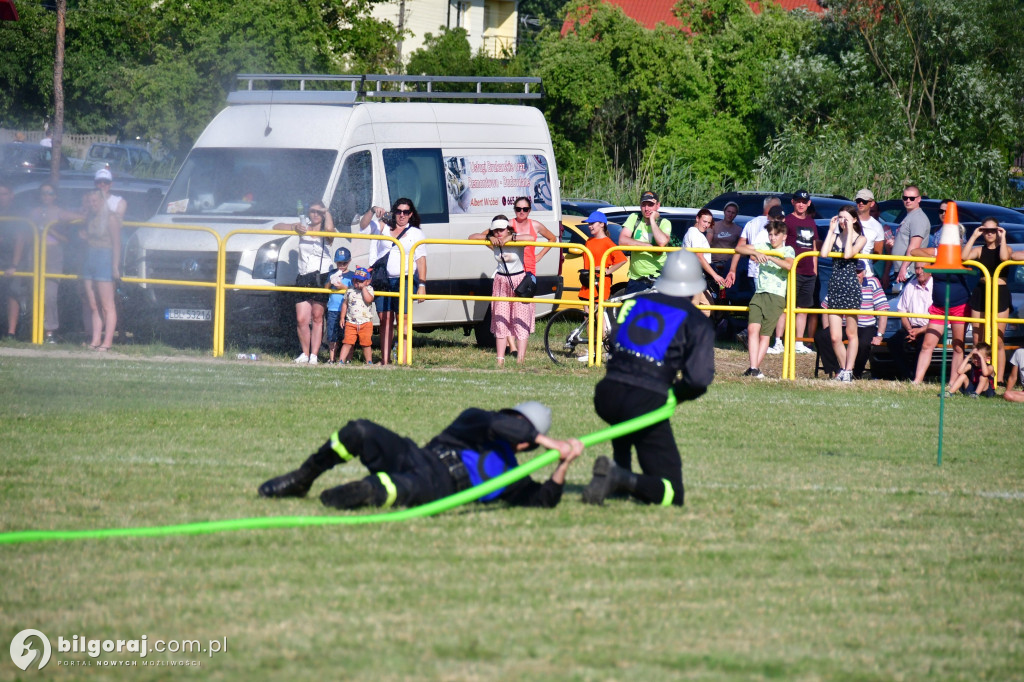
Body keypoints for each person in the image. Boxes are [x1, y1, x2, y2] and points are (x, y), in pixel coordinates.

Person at [258, 401, 584, 511]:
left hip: (441, 487)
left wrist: (564, 463)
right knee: (359, 430)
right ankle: (304, 478)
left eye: (522, 429)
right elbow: (499, 424)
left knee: (391, 489)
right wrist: (549, 441)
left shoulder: (513, 477)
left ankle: (361, 492)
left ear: (529, 447)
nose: (513, 428)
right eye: (512, 420)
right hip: (417, 454)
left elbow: (544, 499)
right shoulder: (478, 420)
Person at [582, 249, 715, 507]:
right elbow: (698, 379)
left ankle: (618, 473)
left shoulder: (634, 303)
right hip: (644, 400)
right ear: (695, 286)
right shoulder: (696, 321)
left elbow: (620, 349)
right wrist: (675, 394)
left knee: (626, 416)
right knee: (672, 492)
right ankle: (620, 478)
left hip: (607, 393)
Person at [359, 199, 427, 365]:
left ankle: (403, 360)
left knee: (403, 319)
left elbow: (421, 260)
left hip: (404, 279)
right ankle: (385, 360)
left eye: (405, 212)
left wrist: (423, 285)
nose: (402, 215)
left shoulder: (416, 233)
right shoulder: (383, 227)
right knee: (385, 319)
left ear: (411, 214)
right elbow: (363, 227)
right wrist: (373, 209)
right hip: (382, 279)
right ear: (394, 212)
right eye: (398, 211)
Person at [274, 200, 336, 364]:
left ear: (323, 215)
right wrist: (295, 228)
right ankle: (305, 353)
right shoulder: (303, 225)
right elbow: (277, 227)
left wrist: (327, 212)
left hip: (320, 276)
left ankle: (314, 355)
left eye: (319, 212)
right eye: (312, 211)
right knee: (302, 318)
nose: (315, 215)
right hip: (303, 276)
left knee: (317, 317)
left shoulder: (325, 230)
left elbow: (331, 235)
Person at [468, 216, 532, 367]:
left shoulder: (515, 239)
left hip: (518, 282)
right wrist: (489, 237)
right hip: (500, 282)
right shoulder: (494, 240)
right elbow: (471, 237)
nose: (498, 233)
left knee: (520, 321)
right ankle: (500, 360)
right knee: (501, 320)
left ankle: (520, 360)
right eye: (495, 230)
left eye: (501, 230)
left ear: (508, 229)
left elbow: (531, 237)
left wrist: (511, 237)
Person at [735, 217, 795, 378]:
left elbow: (789, 265)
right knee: (752, 329)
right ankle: (754, 368)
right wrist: (755, 252)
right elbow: (739, 249)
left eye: (776, 234)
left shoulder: (788, 250)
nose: (773, 238)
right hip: (759, 293)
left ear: (784, 236)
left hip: (776, 297)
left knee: (765, 334)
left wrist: (770, 257)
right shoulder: (764, 246)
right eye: (770, 234)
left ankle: (754, 368)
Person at [910, 238, 971, 385]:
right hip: (938, 307)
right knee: (927, 344)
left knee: (957, 346)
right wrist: (937, 256)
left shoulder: (963, 254)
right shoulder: (937, 252)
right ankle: (917, 381)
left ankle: (952, 383)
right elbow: (914, 252)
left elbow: (966, 256)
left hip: (959, 306)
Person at [814, 261, 889, 379]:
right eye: (853, 272)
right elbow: (825, 307)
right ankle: (838, 371)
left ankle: (855, 373)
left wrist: (880, 335)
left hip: (866, 326)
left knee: (864, 343)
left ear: (864, 272)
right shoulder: (841, 283)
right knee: (823, 336)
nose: (856, 275)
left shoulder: (872, 282)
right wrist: (828, 328)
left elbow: (883, 309)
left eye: (858, 272)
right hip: (843, 324)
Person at [818, 205, 868, 382]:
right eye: (840, 218)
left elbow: (848, 255)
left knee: (852, 333)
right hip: (835, 286)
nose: (842, 221)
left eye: (845, 218)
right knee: (834, 336)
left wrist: (848, 233)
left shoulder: (860, 238)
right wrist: (832, 231)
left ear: (854, 219)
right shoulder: (836, 235)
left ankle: (849, 370)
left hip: (851, 287)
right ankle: (844, 369)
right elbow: (824, 253)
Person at [963, 219, 1011, 383]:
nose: (989, 233)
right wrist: (974, 236)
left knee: (997, 339)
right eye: (986, 230)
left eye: (993, 230)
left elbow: (1004, 258)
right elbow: (963, 257)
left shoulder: (1005, 248)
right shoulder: (979, 250)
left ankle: (998, 379)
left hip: (1000, 293)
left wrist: (1002, 237)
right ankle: (977, 376)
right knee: (978, 338)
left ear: (998, 230)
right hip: (981, 292)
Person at [30, 183, 80, 342]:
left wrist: (50, 230)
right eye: (44, 193)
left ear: (55, 196)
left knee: (50, 295)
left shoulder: (60, 212)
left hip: (53, 254)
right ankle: (33, 329)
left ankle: (50, 331)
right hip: (35, 253)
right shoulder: (34, 212)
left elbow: (82, 219)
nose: (47, 196)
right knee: (35, 293)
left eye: (50, 193)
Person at [79, 190, 121, 351]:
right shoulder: (89, 217)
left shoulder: (111, 218)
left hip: (105, 259)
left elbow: (117, 244)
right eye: (90, 201)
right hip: (90, 260)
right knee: (93, 304)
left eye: (95, 201)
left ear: (102, 201)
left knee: (107, 305)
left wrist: (115, 266)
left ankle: (107, 342)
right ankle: (95, 340)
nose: (92, 204)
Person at [782, 189, 818, 355]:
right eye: (798, 201)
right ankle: (780, 341)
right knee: (787, 306)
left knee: (803, 308)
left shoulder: (811, 222)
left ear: (808, 203)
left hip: (808, 271)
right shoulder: (787, 220)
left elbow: (815, 246)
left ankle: (798, 341)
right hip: (792, 270)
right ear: (793, 202)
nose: (801, 204)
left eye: (804, 201)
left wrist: (815, 269)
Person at [619, 190, 673, 295]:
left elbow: (662, 242)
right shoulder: (634, 218)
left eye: (650, 205)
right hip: (636, 280)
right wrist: (648, 246)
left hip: (658, 279)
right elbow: (622, 241)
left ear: (658, 206)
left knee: (657, 311)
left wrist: (652, 220)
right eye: (644, 205)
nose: (647, 208)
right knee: (633, 311)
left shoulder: (664, 222)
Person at [888, 263, 933, 380]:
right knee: (894, 342)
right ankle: (907, 375)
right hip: (910, 327)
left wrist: (920, 331)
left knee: (923, 343)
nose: (919, 271)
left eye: (922, 268)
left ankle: (917, 377)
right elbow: (902, 311)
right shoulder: (910, 286)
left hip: (930, 328)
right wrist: (910, 330)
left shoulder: (937, 287)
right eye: (917, 268)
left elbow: (939, 318)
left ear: (931, 270)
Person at [578, 210, 627, 303]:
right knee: (587, 313)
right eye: (589, 224)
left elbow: (622, 260)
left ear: (602, 224)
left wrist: (607, 271)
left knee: (598, 312)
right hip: (587, 280)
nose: (589, 226)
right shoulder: (589, 241)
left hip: (600, 281)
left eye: (592, 223)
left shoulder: (608, 242)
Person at [682, 208, 721, 316]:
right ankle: (688, 331)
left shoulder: (697, 233)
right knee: (696, 307)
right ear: (697, 218)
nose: (706, 225)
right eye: (704, 221)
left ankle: (694, 330)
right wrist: (715, 275)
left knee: (707, 306)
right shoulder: (694, 233)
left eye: (709, 222)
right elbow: (699, 257)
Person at [890, 185, 929, 289]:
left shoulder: (918, 218)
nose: (908, 201)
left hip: (910, 271)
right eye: (905, 198)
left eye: (912, 198)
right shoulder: (910, 216)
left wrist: (904, 267)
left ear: (919, 199)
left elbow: (914, 247)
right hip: (902, 269)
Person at [509, 196, 556, 278]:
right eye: (518, 209)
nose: (522, 212)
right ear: (515, 210)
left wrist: (540, 255)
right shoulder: (508, 224)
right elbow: (488, 235)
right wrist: (498, 252)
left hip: (529, 268)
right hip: (512, 268)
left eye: (525, 209)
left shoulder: (535, 225)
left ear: (529, 210)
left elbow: (553, 238)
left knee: (528, 290)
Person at [339, 267, 375, 365]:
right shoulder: (350, 290)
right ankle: (341, 360)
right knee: (347, 342)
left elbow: (369, 300)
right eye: (355, 280)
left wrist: (363, 288)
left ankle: (369, 361)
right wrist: (342, 317)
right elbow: (345, 304)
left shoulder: (369, 289)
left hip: (365, 322)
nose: (357, 283)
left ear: (367, 281)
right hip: (351, 322)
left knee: (366, 343)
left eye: (360, 281)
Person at [324, 247, 353, 364]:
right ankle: (332, 358)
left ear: (349, 261)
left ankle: (348, 359)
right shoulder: (332, 273)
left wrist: (343, 288)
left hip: (348, 310)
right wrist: (331, 281)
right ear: (335, 262)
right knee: (332, 335)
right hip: (333, 309)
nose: (341, 265)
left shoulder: (351, 275)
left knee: (349, 335)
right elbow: (325, 289)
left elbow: (354, 291)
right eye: (339, 262)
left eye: (344, 262)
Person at [709, 201, 742, 295]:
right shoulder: (714, 225)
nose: (730, 214)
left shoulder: (738, 230)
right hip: (713, 263)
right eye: (728, 211)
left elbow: (741, 247)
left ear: (736, 214)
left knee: (726, 293)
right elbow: (707, 242)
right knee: (714, 291)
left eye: (733, 212)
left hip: (728, 265)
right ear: (724, 211)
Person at [853, 189, 885, 259]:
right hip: (845, 266)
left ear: (872, 203)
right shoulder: (845, 220)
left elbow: (878, 254)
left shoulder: (877, 226)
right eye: (858, 201)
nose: (861, 203)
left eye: (864, 201)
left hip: (866, 267)